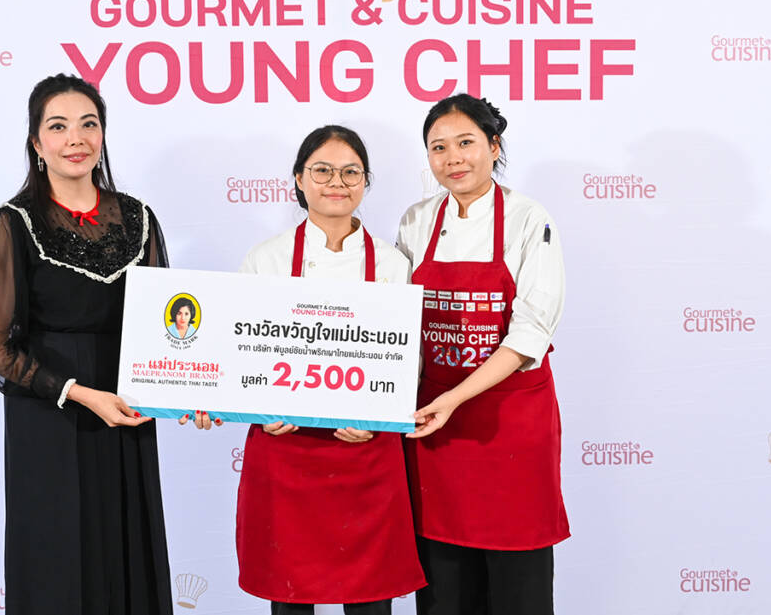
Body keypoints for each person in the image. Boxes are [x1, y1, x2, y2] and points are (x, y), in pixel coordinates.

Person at [0, 74, 172, 615]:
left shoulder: (138, 218)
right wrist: (80, 393)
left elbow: (169, 330)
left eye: (88, 124)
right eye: (58, 127)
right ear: (36, 143)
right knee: (58, 561)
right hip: (50, 415)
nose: (75, 138)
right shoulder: (13, 223)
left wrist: (193, 391)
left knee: (127, 554)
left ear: (103, 134)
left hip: (126, 411)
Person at [233, 125, 426, 614]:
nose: (336, 182)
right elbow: (243, 355)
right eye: (322, 171)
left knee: (371, 600)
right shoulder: (265, 259)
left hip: (366, 453)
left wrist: (379, 417)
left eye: (350, 172)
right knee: (290, 599)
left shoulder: (393, 264)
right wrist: (261, 411)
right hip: (286, 449)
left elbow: (409, 361)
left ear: (366, 182)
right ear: (299, 179)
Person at [396, 94, 569, 615]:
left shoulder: (528, 218)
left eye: (466, 143)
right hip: (437, 431)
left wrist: (453, 398)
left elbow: (530, 331)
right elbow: (397, 323)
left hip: (509, 425)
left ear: (494, 147)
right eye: (438, 147)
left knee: (519, 588)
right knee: (444, 586)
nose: (453, 158)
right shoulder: (417, 220)